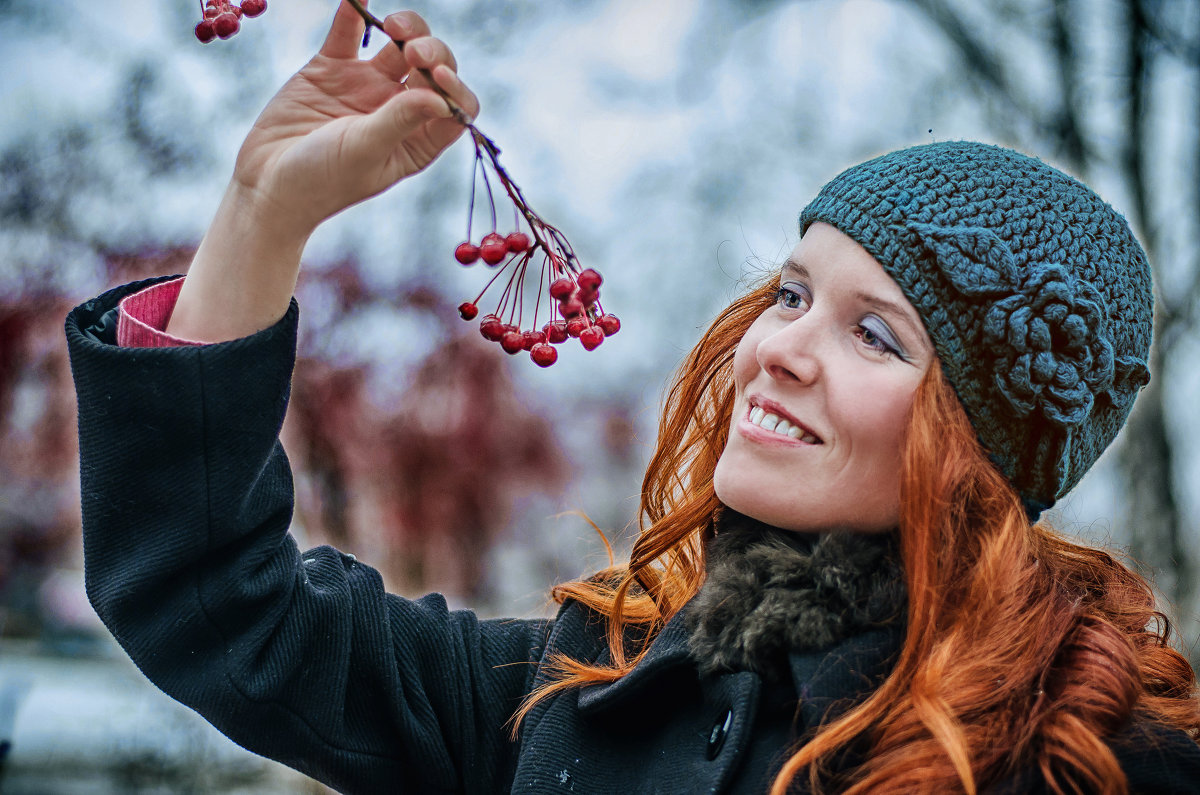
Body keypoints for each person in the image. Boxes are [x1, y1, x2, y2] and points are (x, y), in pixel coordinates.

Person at [65, 2, 1200, 793]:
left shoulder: (1093, 760)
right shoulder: (584, 684)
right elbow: (217, 599)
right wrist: (266, 210)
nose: (779, 350)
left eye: (874, 333)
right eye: (793, 292)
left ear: (986, 447)